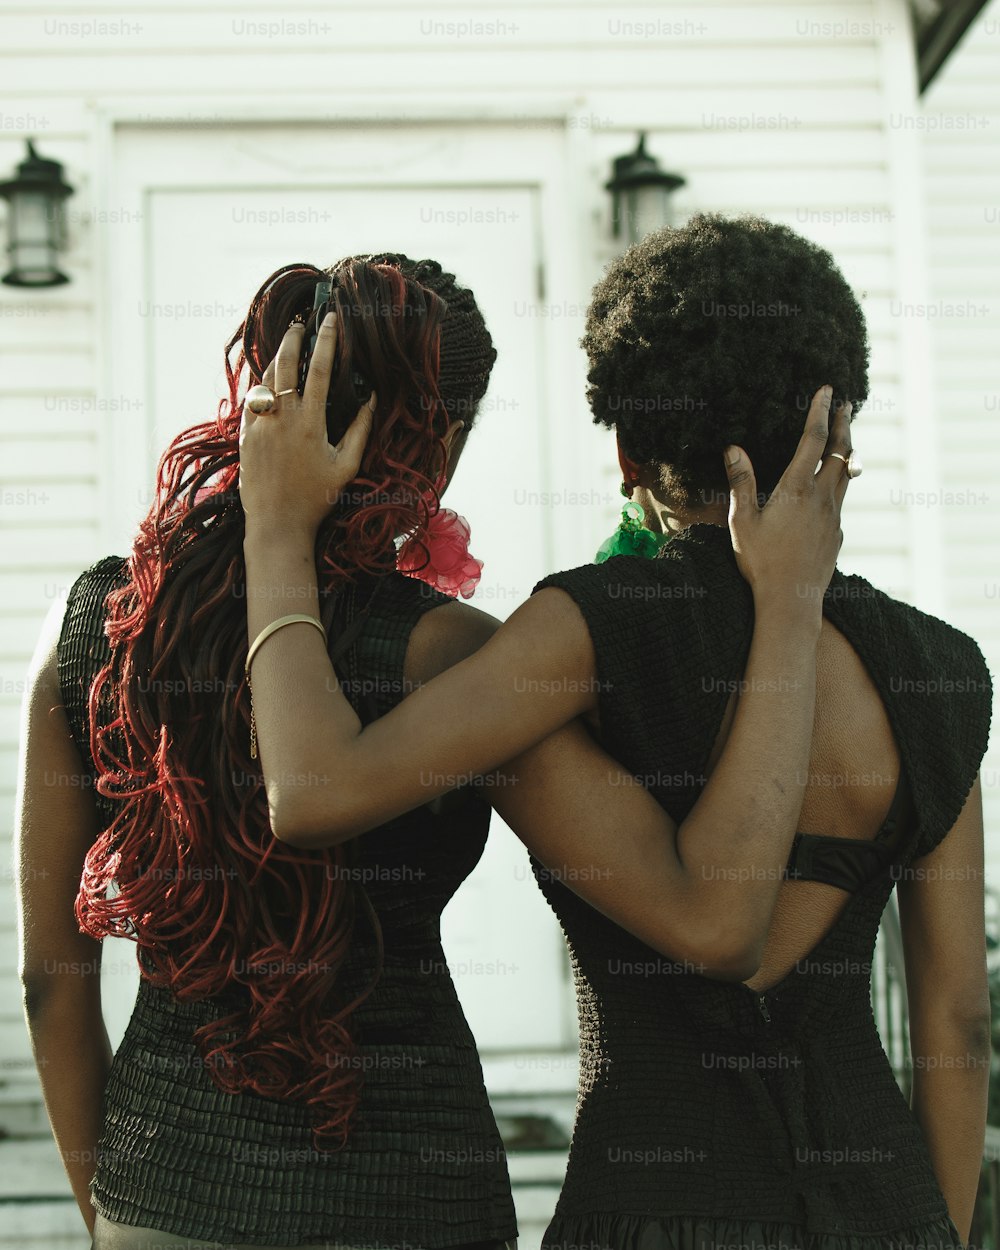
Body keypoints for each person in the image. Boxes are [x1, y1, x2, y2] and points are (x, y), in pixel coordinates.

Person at [17, 249, 845, 1250]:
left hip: (163, 1189)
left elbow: (52, 980)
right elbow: (702, 911)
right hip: (412, 1196)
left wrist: (107, 1203)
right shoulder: (454, 656)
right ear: (440, 439)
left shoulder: (100, 625)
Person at [238, 218, 992, 1250]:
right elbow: (955, 1023)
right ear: (836, 428)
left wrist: (275, 526)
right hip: (890, 1208)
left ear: (629, 445)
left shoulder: (587, 627)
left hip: (641, 1212)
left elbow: (317, 790)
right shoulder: (940, 670)